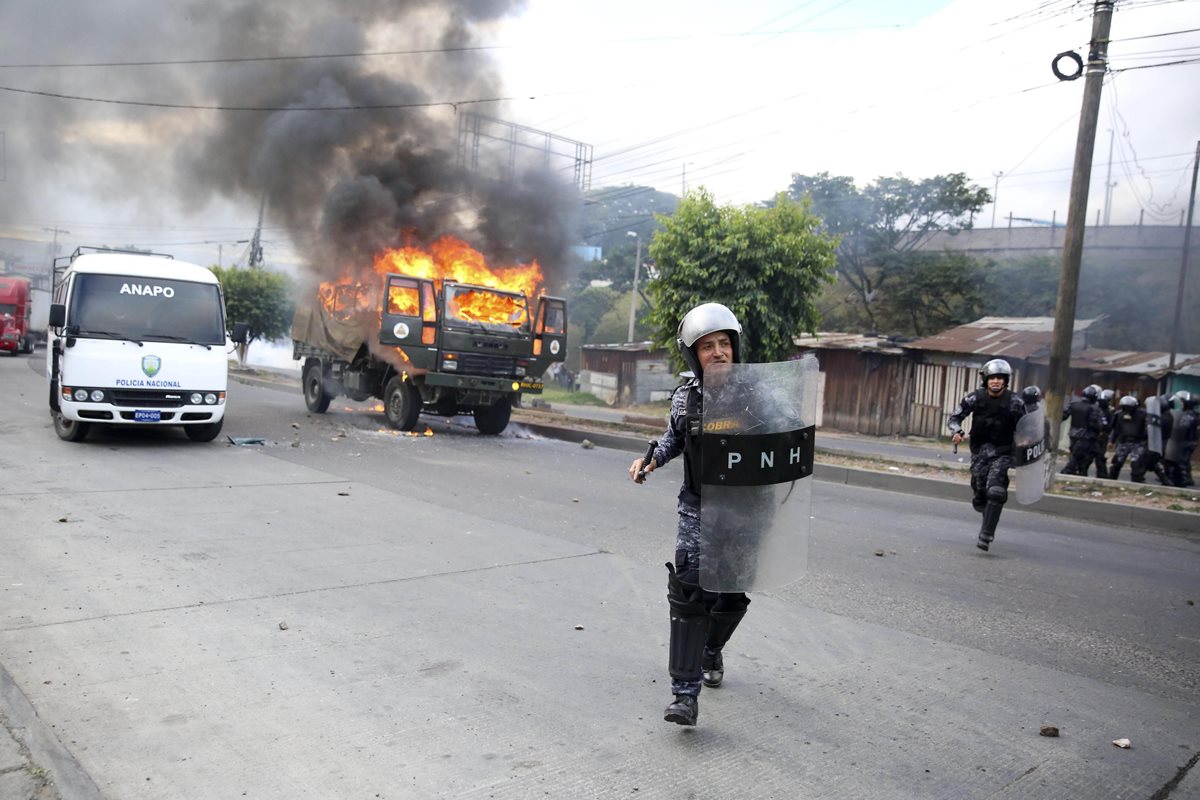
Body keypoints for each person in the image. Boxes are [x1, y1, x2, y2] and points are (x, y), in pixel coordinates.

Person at [628, 302, 752, 727]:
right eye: (706, 347)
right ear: (693, 355)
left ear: (734, 347)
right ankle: (684, 694)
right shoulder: (686, 397)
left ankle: (712, 650)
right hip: (697, 506)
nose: (717, 352)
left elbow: (785, 441)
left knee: (731, 593)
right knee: (689, 587)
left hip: (745, 511)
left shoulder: (757, 394)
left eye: (723, 344)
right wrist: (651, 460)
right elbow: (672, 438)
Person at [947, 359, 1027, 552]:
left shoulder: (1015, 402)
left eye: (1000, 378)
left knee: (996, 491)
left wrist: (1027, 442)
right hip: (980, 452)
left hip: (1003, 452)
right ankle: (984, 504)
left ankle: (986, 535)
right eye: (992, 378)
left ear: (1006, 380)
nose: (996, 382)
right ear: (986, 380)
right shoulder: (975, 398)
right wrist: (956, 431)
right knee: (980, 491)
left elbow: (1026, 427)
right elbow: (955, 418)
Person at [1061, 385, 1103, 476]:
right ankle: (1067, 471)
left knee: (1077, 455)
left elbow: (1063, 416)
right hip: (1086, 436)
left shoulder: (1073, 404)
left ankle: (1081, 473)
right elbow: (1094, 423)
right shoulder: (1093, 408)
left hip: (1073, 434)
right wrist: (1099, 430)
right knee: (1078, 456)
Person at [1108, 395, 1150, 482]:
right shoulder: (1119, 415)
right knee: (1117, 463)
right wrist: (1111, 441)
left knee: (1136, 464)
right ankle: (1111, 480)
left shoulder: (1143, 414)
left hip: (1138, 442)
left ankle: (1137, 482)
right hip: (1123, 441)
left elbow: (1149, 428)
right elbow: (1115, 429)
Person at [1165, 391, 1198, 488]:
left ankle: (1183, 480)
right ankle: (1186, 478)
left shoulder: (1189, 415)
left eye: (1183, 402)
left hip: (1187, 441)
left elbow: (1183, 427)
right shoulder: (1188, 414)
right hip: (1186, 441)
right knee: (1183, 460)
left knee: (1181, 461)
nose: (1181, 404)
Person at [1092, 389, 1116, 479]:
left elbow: (1110, 425)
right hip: (1095, 435)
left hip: (1102, 436)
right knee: (1091, 456)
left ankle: (1102, 475)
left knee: (1100, 457)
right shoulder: (1096, 409)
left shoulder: (1109, 411)